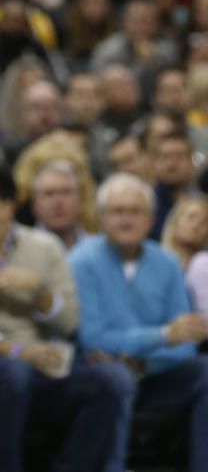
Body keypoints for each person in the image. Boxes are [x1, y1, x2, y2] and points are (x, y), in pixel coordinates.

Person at [0, 162, 130, 472]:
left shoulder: (45, 247)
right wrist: (21, 352)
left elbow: (69, 321)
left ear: (7, 207)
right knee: (14, 373)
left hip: (42, 365)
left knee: (113, 379)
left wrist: (40, 292)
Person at [70, 173, 208, 472]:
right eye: (118, 212)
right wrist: (161, 336)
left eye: (135, 212)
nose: (126, 220)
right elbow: (92, 339)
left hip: (154, 376)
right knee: (115, 375)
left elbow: (185, 343)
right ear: (101, 217)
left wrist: (145, 363)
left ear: (151, 218)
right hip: (100, 377)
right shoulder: (81, 261)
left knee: (204, 369)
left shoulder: (166, 262)